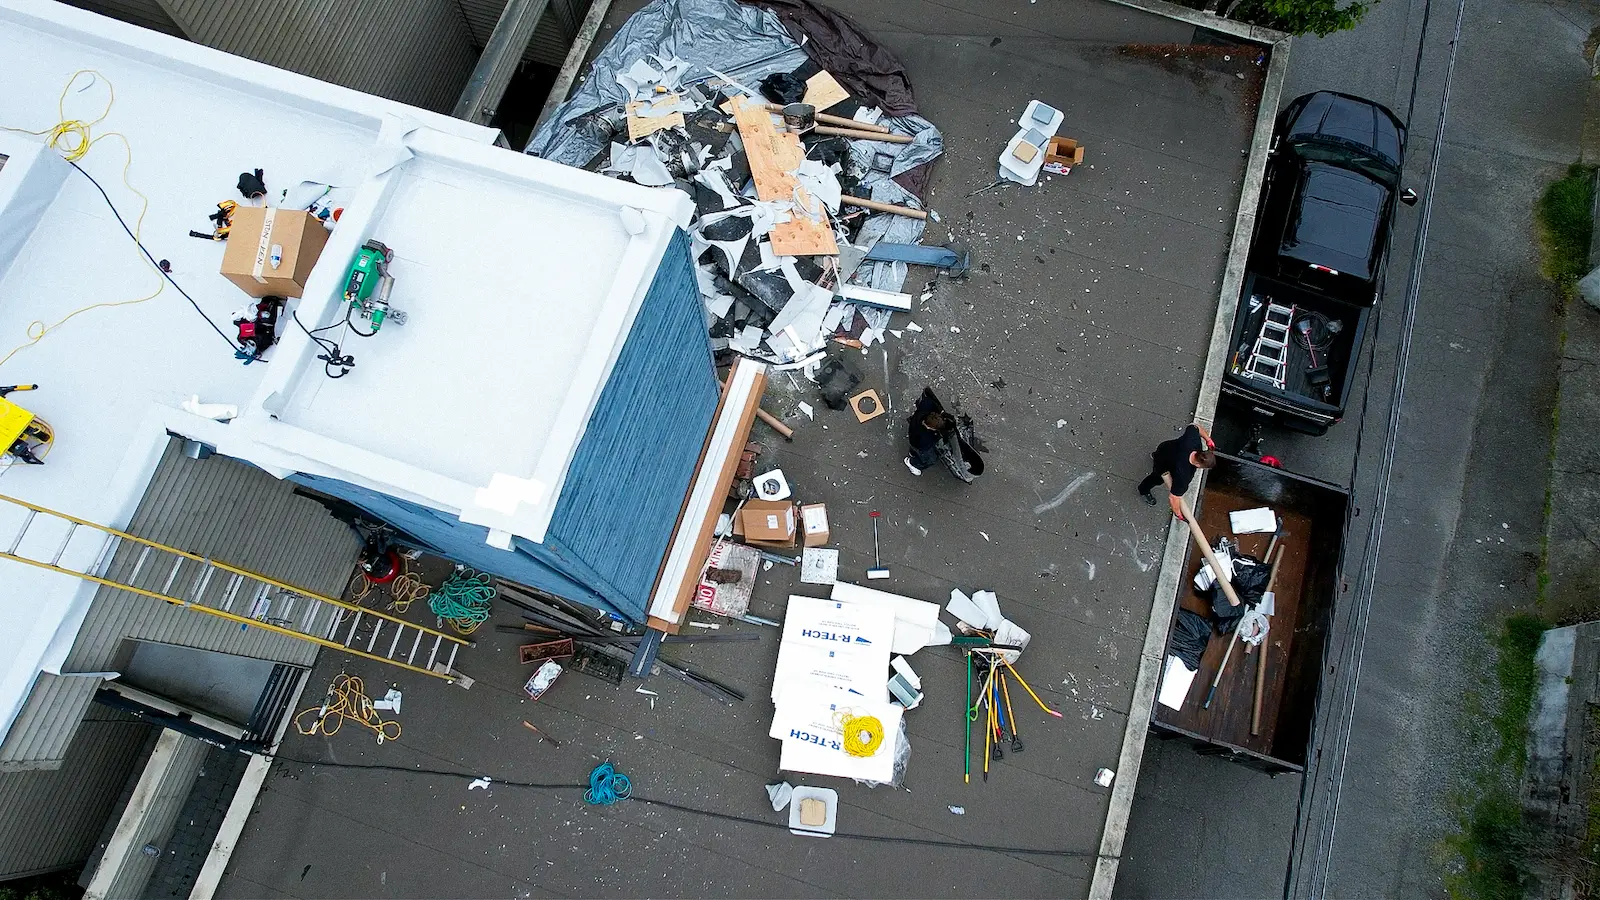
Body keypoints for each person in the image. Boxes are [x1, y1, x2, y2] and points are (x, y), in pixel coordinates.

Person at [1138, 422, 1216, 518]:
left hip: (1164, 448)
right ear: (1198, 464)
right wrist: (1178, 513)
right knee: (1155, 479)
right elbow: (1173, 497)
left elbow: (1195, 426)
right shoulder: (1184, 476)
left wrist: (1208, 439)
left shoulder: (1193, 440)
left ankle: (1155, 456)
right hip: (1162, 468)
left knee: (1159, 455)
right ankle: (1143, 490)